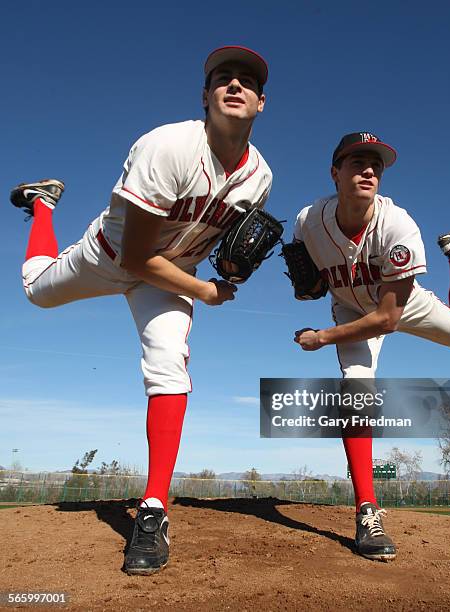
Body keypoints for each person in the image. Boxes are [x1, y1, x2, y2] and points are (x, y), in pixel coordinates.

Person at [9, 45, 272, 575]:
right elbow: (136, 256)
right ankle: (43, 205)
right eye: (224, 77)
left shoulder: (261, 177)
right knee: (36, 289)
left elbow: (227, 242)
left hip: (169, 277)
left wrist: (233, 271)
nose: (235, 85)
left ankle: (153, 510)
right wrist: (205, 293)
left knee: (169, 363)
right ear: (206, 95)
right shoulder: (167, 146)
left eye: (248, 81)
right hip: (108, 258)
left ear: (261, 103)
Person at [292, 132, 450, 561]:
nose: (369, 170)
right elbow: (303, 258)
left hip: (398, 305)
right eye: (357, 162)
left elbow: (387, 320)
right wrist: (309, 282)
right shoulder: (308, 220)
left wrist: (321, 338)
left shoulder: (398, 227)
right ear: (334, 172)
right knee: (356, 386)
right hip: (348, 307)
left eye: (375, 164)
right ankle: (367, 511)